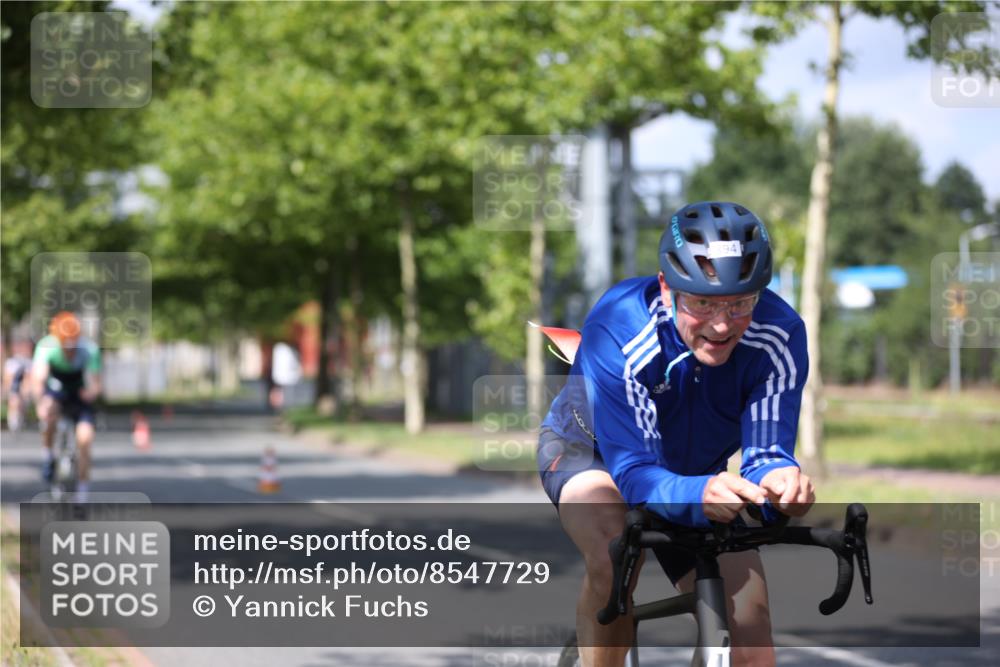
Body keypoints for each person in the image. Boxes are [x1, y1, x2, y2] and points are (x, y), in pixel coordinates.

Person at [537, 202, 815, 667]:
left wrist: (780, 481)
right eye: (702, 303)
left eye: (740, 303)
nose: (722, 324)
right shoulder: (620, 326)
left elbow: (766, 451)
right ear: (667, 288)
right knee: (614, 550)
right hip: (592, 454)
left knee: (749, 618)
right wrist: (697, 490)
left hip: (695, 470)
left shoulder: (779, 335)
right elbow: (635, 472)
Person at [32, 312, 102, 501]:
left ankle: (82, 492)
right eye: (65, 343)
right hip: (55, 391)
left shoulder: (89, 350)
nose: (70, 348)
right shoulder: (47, 347)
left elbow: (96, 383)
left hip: (78, 394)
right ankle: (48, 456)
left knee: (85, 439)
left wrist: (91, 393)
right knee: (48, 413)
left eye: (73, 342)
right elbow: (38, 380)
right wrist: (41, 403)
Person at [3, 340, 33, 431]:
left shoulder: (29, 362)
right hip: (13, 388)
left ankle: (21, 419)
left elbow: (29, 378)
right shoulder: (12, 362)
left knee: (21, 399)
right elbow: (8, 379)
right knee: (15, 399)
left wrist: (25, 389)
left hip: (24, 388)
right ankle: (13, 421)